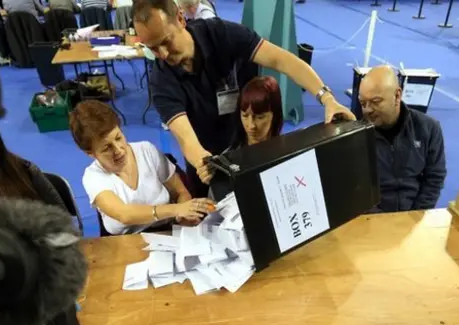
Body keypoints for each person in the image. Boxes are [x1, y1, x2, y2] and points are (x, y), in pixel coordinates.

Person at [132, 0, 355, 197]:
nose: (163, 54)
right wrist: (203, 160)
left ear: (180, 18)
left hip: (248, 143)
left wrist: (327, 99)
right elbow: (186, 138)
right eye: (153, 48)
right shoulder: (161, 80)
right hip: (208, 161)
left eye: (166, 41)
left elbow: (282, 60)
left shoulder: (220, 34)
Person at [69, 100, 215, 235]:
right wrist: (176, 209)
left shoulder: (146, 150)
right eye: (107, 148)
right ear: (91, 153)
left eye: (119, 137)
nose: (118, 150)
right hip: (125, 243)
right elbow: (124, 215)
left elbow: (180, 192)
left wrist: (184, 217)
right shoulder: (93, 177)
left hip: (167, 233)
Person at [358, 65, 446, 213]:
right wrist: (378, 220)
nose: (368, 109)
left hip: (415, 214)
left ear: (397, 96)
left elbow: (434, 178)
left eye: (375, 101)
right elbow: (355, 189)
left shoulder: (429, 128)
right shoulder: (357, 137)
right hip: (373, 219)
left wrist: (416, 215)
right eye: (363, 103)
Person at [209, 75, 283, 200]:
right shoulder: (226, 163)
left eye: (260, 117)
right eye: (245, 115)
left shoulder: (289, 156)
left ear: (274, 115)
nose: (251, 125)